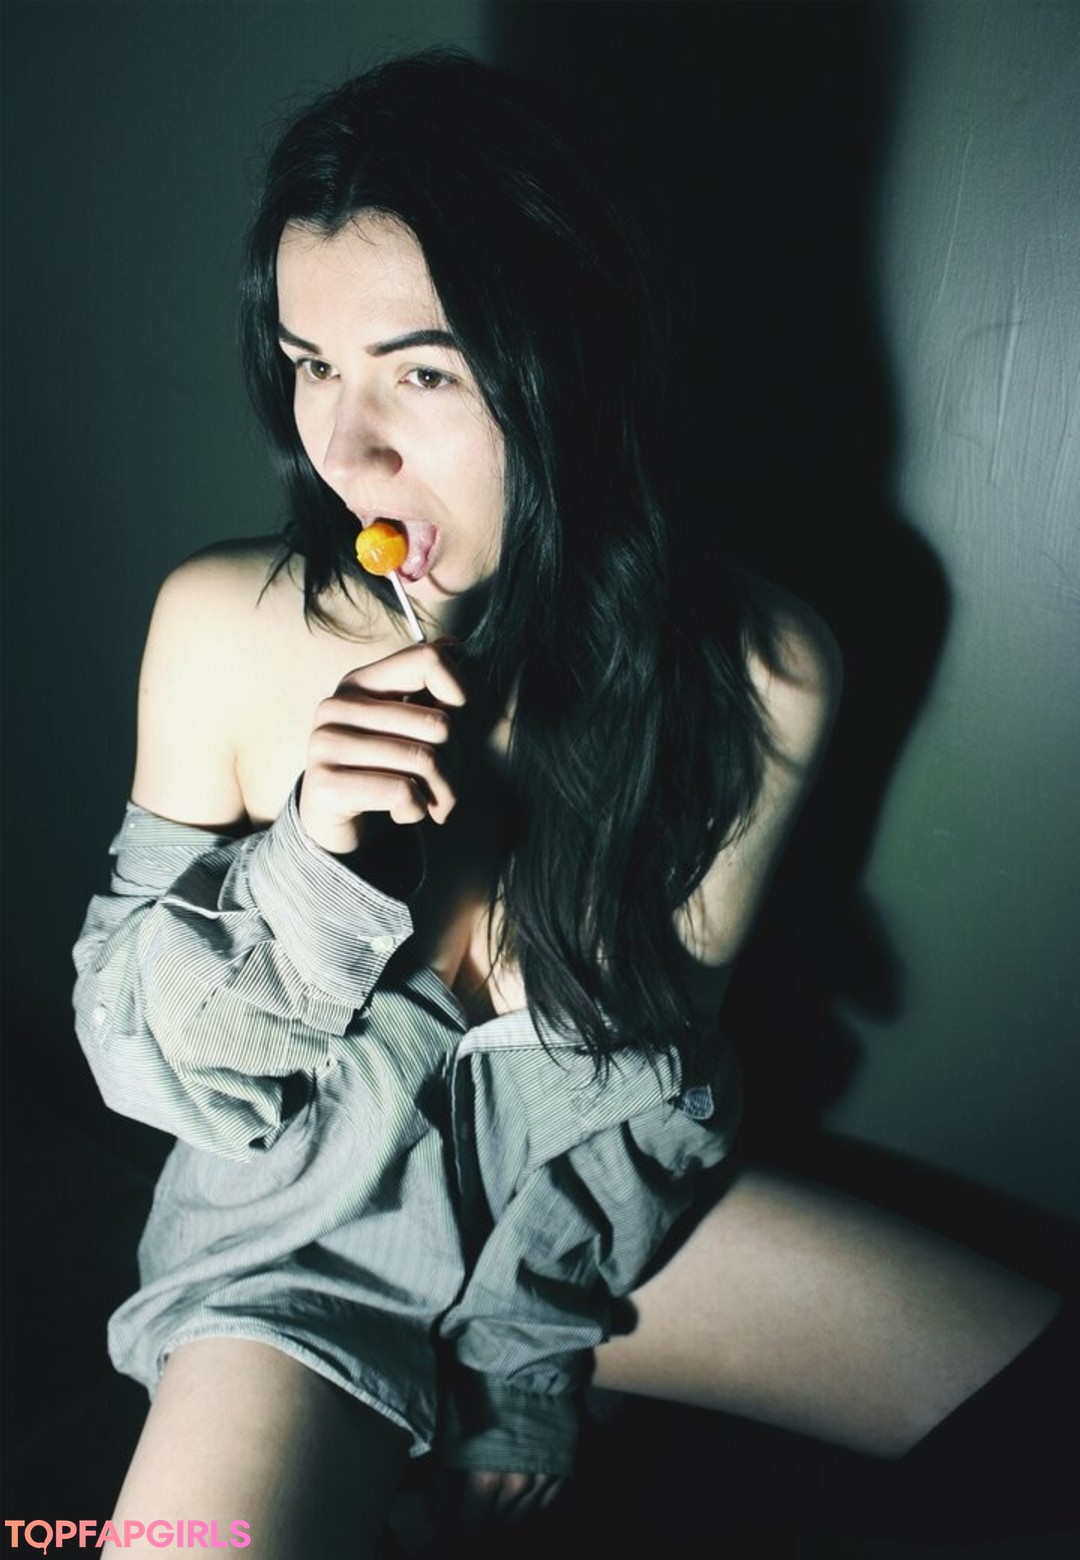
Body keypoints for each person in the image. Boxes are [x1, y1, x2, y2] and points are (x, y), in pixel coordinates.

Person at [73, 50, 1070, 1558]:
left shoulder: (764, 674)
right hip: (293, 1263)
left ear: (569, 362)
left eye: (422, 371)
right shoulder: (224, 622)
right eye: (311, 366)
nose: (345, 450)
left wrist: (522, 1370)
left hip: (579, 1244)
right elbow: (145, 1068)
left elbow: (647, 1104)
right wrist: (314, 864)